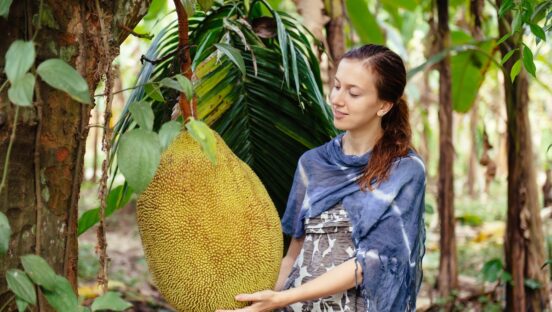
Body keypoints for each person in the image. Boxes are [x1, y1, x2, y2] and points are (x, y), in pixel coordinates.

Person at [216, 44, 426, 312]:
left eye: (353, 93)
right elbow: (294, 252)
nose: (337, 99)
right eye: (337, 86)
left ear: (384, 105)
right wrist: (263, 302)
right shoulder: (312, 163)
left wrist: (282, 299)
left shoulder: (405, 170)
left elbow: (369, 263)